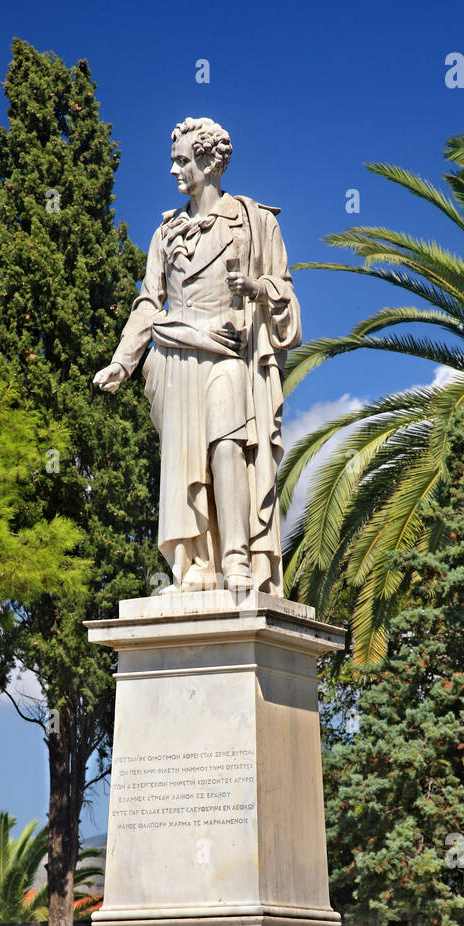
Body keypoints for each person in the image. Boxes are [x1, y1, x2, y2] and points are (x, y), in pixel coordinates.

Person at [93, 117, 301, 594]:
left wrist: (256, 288)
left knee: (228, 446)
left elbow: (284, 292)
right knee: (185, 462)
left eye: (182, 160)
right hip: (175, 357)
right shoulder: (165, 233)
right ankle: (194, 568)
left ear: (209, 162)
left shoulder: (254, 221)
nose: (174, 170)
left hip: (228, 351)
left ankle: (237, 559)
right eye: (174, 160)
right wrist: (122, 362)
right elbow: (149, 302)